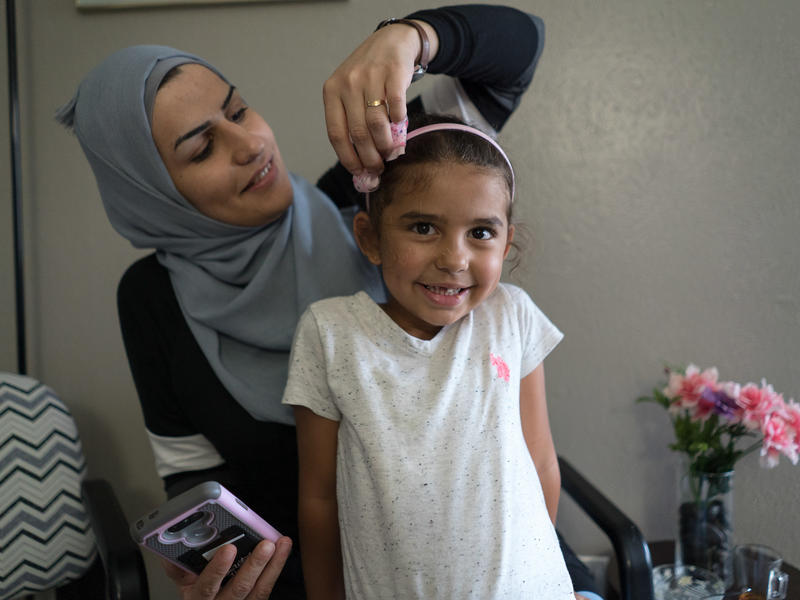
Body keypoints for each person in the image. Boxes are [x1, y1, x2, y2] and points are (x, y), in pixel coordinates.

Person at [57, 6, 600, 599]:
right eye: (201, 148)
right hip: (317, 577)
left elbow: (519, 50)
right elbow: (193, 476)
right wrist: (211, 564)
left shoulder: (371, 188)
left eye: (238, 110)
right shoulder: (152, 299)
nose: (249, 144)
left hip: (511, 565)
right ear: (151, 192)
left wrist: (407, 38)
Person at [283, 113, 584, 599]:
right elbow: (318, 497)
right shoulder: (331, 333)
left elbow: (541, 460)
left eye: (481, 233)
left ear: (507, 242)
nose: (454, 259)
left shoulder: (512, 315)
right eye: (423, 227)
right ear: (371, 238)